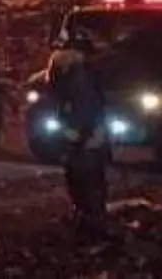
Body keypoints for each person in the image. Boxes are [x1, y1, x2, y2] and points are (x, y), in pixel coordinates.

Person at [47, 32, 110, 243]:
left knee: (82, 183)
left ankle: (88, 223)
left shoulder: (68, 75)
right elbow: (93, 106)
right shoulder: (84, 74)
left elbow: (70, 108)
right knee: (91, 183)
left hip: (80, 139)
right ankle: (93, 223)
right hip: (88, 139)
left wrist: (75, 136)